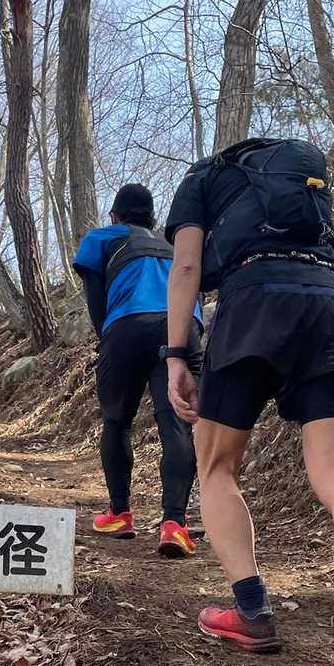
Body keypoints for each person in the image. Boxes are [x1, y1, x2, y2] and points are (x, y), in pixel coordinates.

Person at [163, 136, 334, 666]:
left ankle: (252, 611)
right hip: (330, 309)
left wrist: (177, 354)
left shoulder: (204, 177)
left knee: (216, 467)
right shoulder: (308, 190)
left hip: (252, 304)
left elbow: (186, 266)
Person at [73, 183, 204, 558]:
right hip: (182, 328)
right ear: (153, 219)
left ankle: (119, 514)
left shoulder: (101, 238)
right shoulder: (175, 245)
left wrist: (106, 337)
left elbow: (96, 299)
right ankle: (174, 524)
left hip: (127, 325)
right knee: (177, 424)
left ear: (115, 216)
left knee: (117, 422)